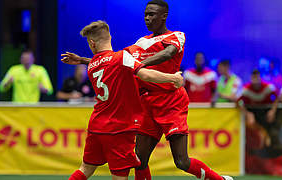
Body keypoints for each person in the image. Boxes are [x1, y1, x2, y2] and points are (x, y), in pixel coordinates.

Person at [62, 1, 233, 180]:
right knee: (139, 161)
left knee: (182, 161)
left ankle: (218, 179)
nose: (147, 18)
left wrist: (138, 66)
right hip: (147, 103)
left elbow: (168, 53)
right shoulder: (141, 42)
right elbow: (112, 61)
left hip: (171, 101)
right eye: (145, 15)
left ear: (164, 16)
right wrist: (82, 59)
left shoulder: (177, 36)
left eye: (152, 14)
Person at [67, 21, 184, 180]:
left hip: (96, 124)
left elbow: (106, 62)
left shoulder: (92, 64)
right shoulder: (121, 57)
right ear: (110, 37)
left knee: (85, 168)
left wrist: (81, 59)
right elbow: (146, 75)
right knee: (120, 176)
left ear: (92, 43)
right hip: (119, 129)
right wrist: (172, 78)